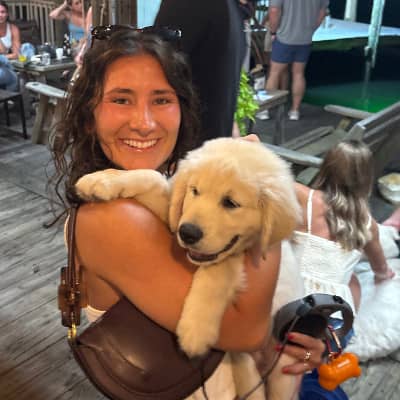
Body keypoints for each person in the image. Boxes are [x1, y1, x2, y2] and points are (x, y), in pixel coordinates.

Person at [50, 26, 325, 398]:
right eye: (121, 99)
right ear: (89, 117)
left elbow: (261, 315)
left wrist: (294, 341)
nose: (144, 122)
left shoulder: (174, 183)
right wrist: (260, 187)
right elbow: (246, 331)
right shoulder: (110, 217)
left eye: (161, 99)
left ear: (181, 109)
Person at [292, 140, 395, 316]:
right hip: (329, 314)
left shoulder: (302, 197)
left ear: (326, 166)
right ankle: (346, 328)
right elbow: (381, 270)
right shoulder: (367, 224)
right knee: (353, 281)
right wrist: (385, 274)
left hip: (288, 298)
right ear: (366, 178)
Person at [154, 0, 248, 144]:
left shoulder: (230, 8)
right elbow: (156, 74)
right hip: (190, 146)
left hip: (202, 146)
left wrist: (230, 126)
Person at [265, 0, 329, 121]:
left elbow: (274, 10)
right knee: (299, 74)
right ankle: (295, 111)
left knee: (274, 73)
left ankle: (265, 110)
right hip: (305, 39)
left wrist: (273, 31)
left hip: (284, 37)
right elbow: (322, 12)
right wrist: (311, 30)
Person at [0, 0, 20, 91]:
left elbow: (16, 54)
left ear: (7, 14)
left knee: (28, 46)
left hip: (8, 66)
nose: (0, 15)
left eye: (3, 12)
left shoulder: (12, 28)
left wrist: (4, 56)